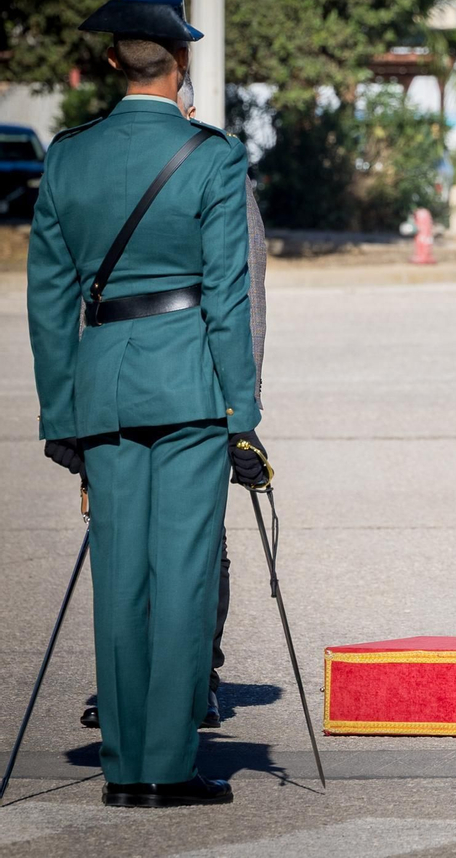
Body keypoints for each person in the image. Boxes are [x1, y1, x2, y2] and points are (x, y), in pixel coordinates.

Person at [29, 0, 268, 806]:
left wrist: (60, 412)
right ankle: (168, 763)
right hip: (191, 386)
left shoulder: (68, 155)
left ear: (109, 63)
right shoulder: (211, 156)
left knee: (119, 574)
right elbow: (228, 300)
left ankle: (123, 766)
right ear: (182, 64)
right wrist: (244, 412)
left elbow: (50, 299)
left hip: (103, 387)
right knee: (186, 572)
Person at [78, 74, 268, 733]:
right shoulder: (103, 166)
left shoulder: (213, 166)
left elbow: (245, 297)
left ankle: (196, 676)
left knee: (196, 538)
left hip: (197, 381)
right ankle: (126, 682)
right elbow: (87, 293)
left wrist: (241, 406)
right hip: (120, 383)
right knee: (123, 533)